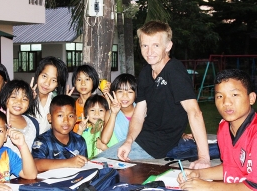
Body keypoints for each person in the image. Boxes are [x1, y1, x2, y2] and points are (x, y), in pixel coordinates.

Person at [107, 20, 210, 169]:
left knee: (103, 163)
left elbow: (194, 112)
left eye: (156, 45)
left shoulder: (174, 71)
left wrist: (204, 158)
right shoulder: (145, 73)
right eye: (145, 45)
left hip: (158, 144)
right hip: (143, 138)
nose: (149, 52)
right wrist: (128, 141)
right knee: (99, 160)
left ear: (168, 46)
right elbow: (139, 114)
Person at [178, 69, 257, 190]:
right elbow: (230, 167)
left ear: (251, 98)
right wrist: (199, 174)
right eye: (219, 96)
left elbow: (253, 187)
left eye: (234, 95)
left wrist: (208, 186)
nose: (226, 102)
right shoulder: (224, 127)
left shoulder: (255, 134)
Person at [31, 95, 88, 172]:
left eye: (70, 116)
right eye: (60, 115)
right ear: (50, 118)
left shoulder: (79, 140)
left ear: (75, 118)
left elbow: (84, 167)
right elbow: (35, 164)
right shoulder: (42, 141)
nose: (66, 121)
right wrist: (68, 163)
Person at [0, 79, 39, 156]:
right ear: (5, 98)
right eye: (13, 97)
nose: (19, 102)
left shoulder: (33, 123)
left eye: (24, 99)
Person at [32, 56, 69, 134]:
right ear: (38, 75)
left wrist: (65, 107)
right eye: (44, 76)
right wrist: (26, 100)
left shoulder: (55, 101)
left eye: (53, 80)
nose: (47, 83)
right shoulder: (24, 98)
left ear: (57, 84)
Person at [100, 73, 136, 146]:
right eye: (120, 91)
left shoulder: (143, 111)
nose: (124, 96)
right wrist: (113, 113)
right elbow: (104, 140)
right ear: (114, 93)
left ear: (136, 94)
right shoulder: (109, 113)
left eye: (130, 92)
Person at [77, 94, 117, 159]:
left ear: (107, 113)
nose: (96, 114)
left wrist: (103, 147)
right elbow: (75, 148)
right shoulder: (85, 132)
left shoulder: (108, 132)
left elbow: (116, 155)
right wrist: (80, 130)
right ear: (86, 113)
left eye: (101, 110)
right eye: (92, 110)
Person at [71, 64, 100, 133]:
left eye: (87, 79)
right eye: (79, 79)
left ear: (94, 81)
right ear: (75, 83)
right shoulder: (72, 107)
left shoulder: (101, 102)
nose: (83, 83)